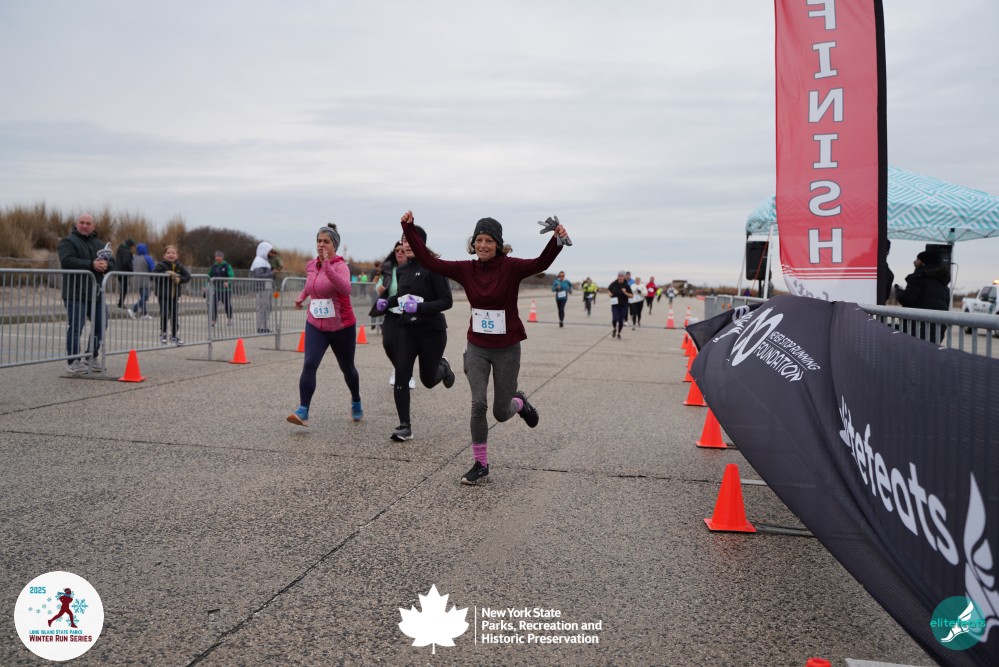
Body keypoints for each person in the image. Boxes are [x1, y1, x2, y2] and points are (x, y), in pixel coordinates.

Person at [399, 210, 569, 485]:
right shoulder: (466, 269)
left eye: (489, 240)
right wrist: (408, 228)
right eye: (479, 239)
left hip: (507, 348)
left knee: (500, 413)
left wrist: (556, 239)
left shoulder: (511, 267)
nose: (483, 245)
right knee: (478, 403)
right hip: (477, 346)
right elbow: (429, 261)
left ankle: (519, 402)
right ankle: (480, 463)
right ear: (473, 243)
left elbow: (540, 263)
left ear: (498, 244)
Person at [374, 225, 455, 441]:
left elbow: (447, 301)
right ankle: (405, 426)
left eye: (412, 240)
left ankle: (443, 368)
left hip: (432, 331)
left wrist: (420, 307)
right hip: (407, 329)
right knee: (402, 373)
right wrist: (387, 302)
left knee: (428, 379)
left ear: (422, 243)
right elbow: (402, 296)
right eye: (404, 240)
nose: (407, 244)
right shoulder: (401, 270)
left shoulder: (434, 267)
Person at [287, 224, 363, 426]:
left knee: (347, 368)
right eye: (319, 241)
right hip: (316, 324)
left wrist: (328, 266)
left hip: (341, 326)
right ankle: (303, 410)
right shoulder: (312, 265)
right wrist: (302, 297)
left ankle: (356, 400)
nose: (321, 245)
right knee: (309, 363)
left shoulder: (340, 266)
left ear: (334, 246)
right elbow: (310, 285)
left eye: (326, 242)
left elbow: (345, 289)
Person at [58, 213, 114, 373]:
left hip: (96, 294)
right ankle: (73, 360)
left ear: (93, 226)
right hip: (75, 293)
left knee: (101, 324)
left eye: (88, 223)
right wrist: (91, 264)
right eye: (82, 222)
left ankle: (91, 356)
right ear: (76, 224)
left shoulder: (100, 244)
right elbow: (67, 261)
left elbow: (112, 263)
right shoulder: (68, 242)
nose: (84, 225)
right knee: (76, 326)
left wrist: (105, 266)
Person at [376, 242, 416, 390]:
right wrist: (379, 289)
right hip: (392, 311)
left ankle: (407, 374)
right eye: (397, 250)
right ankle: (399, 369)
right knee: (388, 342)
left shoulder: (414, 268)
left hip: (409, 313)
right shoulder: (389, 268)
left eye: (402, 250)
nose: (399, 253)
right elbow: (380, 283)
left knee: (406, 346)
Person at [894, 250, 951, 342]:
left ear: (923, 262)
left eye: (917, 259)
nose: (914, 262)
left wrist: (898, 292)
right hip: (937, 332)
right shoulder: (944, 284)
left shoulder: (918, 278)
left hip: (916, 330)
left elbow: (907, 299)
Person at [154, 245, 191, 345]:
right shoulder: (161, 265)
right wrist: (165, 273)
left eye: (173, 253)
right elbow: (154, 276)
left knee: (174, 315)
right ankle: (163, 333)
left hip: (174, 296)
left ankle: (174, 335)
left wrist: (180, 280)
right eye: (168, 253)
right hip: (163, 295)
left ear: (177, 255)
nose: (171, 255)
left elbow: (187, 276)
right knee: (165, 314)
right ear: (164, 255)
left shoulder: (179, 265)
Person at [251, 241, 276, 333]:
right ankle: (261, 327)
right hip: (262, 288)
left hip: (267, 288)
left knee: (267, 307)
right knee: (262, 308)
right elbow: (258, 276)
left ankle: (264, 326)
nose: (271, 254)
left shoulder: (264, 261)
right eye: (270, 252)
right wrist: (271, 273)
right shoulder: (258, 261)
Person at [208, 250, 235, 327]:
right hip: (216, 290)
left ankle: (229, 319)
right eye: (216, 256)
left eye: (219, 256)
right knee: (214, 305)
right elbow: (208, 276)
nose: (217, 258)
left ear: (222, 257)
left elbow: (232, 276)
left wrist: (228, 282)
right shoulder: (213, 266)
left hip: (226, 290)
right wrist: (205, 284)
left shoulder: (227, 266)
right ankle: (213, 321)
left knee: (227, 305)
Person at [129, 243, 155, 319]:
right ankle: (133, 309)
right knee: (145, 297)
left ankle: (144, 313)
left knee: (142, 296)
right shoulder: (147, 258)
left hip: (136, 280)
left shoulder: (135, 258)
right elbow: (153, 269)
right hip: (145, 281)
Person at [608, 271, 633, 339]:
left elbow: (631, 295)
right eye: (619, 276)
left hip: (623, 305)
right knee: (614, 319)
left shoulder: (626, 285)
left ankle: (619, 332)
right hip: (615, 304)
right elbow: (609, 290)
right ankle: (614, 328)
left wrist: (625, 292)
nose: (620, 277)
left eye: (622, 276)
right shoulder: (614, 283)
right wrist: (610, 294)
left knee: (621, 320)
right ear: (617, 277)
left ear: (624, 277)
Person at [115, 238, 135, 309]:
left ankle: (120, 303)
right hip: (124, 272)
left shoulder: (120, 249)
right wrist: (132, 269)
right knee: (124, 288)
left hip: (119, 271)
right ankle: (120, 303)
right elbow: (126, 262)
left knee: (123, 287)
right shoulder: (127, 251)